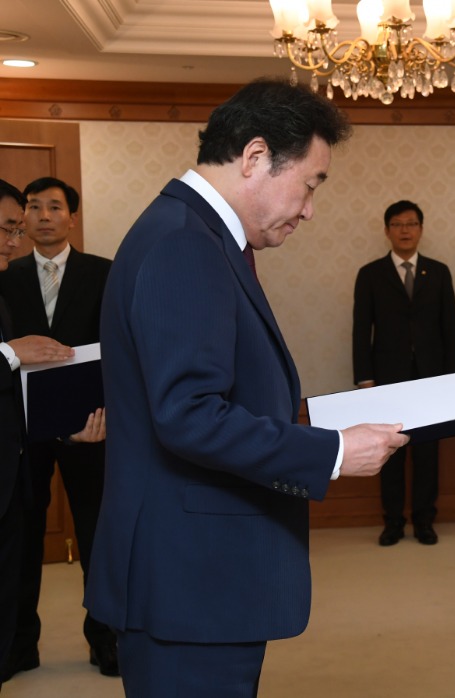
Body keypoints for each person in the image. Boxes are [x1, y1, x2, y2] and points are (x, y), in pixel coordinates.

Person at [83, 78, 407, 697]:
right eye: (311, 183)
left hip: (196, 575)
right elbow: (190, 415)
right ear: (255, 157)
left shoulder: (192, 232)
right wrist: (334, 452)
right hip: (189, 580)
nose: (310, 208)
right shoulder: (185, 243)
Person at [0, 176, 117, 680]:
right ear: (21, 219)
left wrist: (112, 413)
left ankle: (106, 639)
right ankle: (19, 644)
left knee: (98, 535)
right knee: (20, 538)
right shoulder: (5, 273)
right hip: (19, 432)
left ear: (72, 217)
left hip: (88, 425)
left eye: (55, 206)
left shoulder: (105, 272)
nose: (43, 215)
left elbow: (121, 350)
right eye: (33, 207)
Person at [352, 200, 455, 546]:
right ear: (387, 231)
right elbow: (360, 329)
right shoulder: (370, 274)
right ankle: (394, 521)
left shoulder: (439, 272)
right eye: (397, 224)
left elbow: (450, 328)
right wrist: (365, 377)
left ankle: (425, 520)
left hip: (431, 379)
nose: (405, 230)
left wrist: (453, 378)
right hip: (387, 378)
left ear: (421, 230)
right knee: (389, 452)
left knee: (428, 453)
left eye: (411, 224)